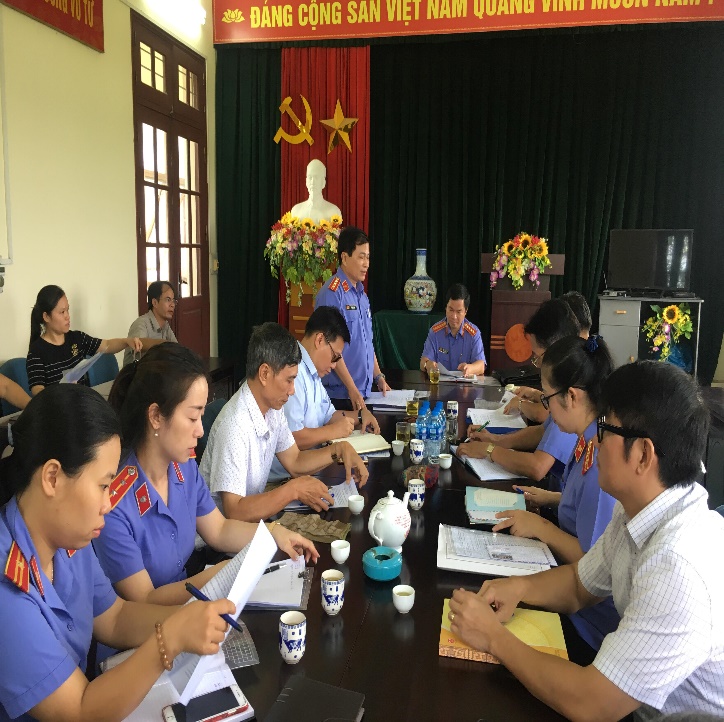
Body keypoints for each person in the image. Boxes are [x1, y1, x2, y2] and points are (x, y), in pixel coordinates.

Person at [449, 361, 724, 720]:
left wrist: (492, 638)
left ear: (643, 454)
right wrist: (517, 587)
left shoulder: (677, 566)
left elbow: (592, 704)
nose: (595, 440)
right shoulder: (638, 510)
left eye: (605, 429)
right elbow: (580, 586)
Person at [0, 384, 238, 722]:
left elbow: (114, 617)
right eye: (103, 486)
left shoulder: (67, 539)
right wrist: (170, 638)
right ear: (52, 478)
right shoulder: (7, 587)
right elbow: (79, 710)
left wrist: (190, 621)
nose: (109, 503)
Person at [93, 343, 318, 605]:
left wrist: (273, 534)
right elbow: (145, 600)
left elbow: (219, 530)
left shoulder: (183, 467)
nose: (200, 431)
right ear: (155, 416)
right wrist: (222, 574)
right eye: (192, 418)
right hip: (151, 624)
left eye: (202, 415)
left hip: (190, 606)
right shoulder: (114, 502)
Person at [491, 334, 619, 651]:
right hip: (567, 584)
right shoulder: (589, 436)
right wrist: (552, 498)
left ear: (571, 396)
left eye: (547, 399)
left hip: (588, 622)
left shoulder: (601, 459)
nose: (546, 409)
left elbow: (596, 564)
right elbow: (594, 513)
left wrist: (541, 527)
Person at [200, 323, 369, 522]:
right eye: (289, 380)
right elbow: (234, 511)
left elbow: (295, 461)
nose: (292, 390)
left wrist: (338, 450)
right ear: (264, 373)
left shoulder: (272, 408)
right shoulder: (234, 425)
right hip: (223, 536)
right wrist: (293, 490)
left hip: (251, 524)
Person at [460, 299, 580, 486]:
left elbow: (537, 467)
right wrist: (495, 440)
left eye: (537, 357)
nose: (537, 365)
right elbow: (543, 432)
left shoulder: (572, 395)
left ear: (557, 350)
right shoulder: (566, 383)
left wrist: (489, 450)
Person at [269, 306, 380, 482]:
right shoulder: (293, 372)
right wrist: (332, 432)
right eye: (335, 356)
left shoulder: (312, 372)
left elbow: (328, 415)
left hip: (308, 469)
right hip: (282, 479)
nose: (335, 365)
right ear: (320, 340)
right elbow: (293, 437)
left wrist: (360, 415)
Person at [26, 285, 158, 395]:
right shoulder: (37, 351)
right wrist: (60, 391)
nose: (67, 316)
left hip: (82, 403)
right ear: (46, 317)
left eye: (68, 310)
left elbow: (106, 345)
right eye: (62, 312)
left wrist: (126, 341)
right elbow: (37, 390)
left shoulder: (76, 338)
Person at [314, 226, 391, 411]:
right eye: (361, 257)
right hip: (340, 396)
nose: (366, 264)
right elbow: (330, 348)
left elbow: (367, 343)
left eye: (368, 257)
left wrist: (379, 376)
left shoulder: (362, 295)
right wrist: (351, 388)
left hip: (362, 393)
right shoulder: (332, 293)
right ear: (344, 257)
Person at [503, 290, 592, 420]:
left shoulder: (578, 372)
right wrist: (537, 394)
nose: (538, 364)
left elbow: (547, 414)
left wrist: (521, 404)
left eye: (538, 357)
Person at [420, 283, 487, 378]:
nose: (454, 316)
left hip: (465, 385)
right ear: (446, 308)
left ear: (465, 311)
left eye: (459, 311)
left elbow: (481, 366)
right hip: (440, 384)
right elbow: (423, 362)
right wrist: (428, 364)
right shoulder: (435, 332)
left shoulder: (473, 333)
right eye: (451, 310)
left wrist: (469, 368)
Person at [122, 281, 178, 367]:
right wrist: (164, 344)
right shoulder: (141, 323)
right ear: (155, 303)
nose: (172, 305)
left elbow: (176, 348)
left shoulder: (165, 325)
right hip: (136, 373)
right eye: (168, 300)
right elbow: (138, 343)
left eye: (173, 301)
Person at [290, 159, 342, 224]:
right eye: (310, 177)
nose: (312, 182)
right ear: (306, 182)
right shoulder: (296, 211)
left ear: (323, 182)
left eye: (316, 177)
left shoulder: (334, 212)